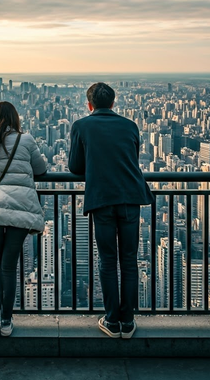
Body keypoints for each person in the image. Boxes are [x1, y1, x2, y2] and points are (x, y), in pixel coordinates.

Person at [68, 82, 155, 339]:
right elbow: (131, 159)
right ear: (113, 103)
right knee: (129, 260)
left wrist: (96, 168)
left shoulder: (81, 126)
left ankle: (112, 320)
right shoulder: (130, 126)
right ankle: (128, 322)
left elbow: (74, 167)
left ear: (89, 104)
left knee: (108, 261)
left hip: (102, 199)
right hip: (130, 199)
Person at [0, 101, 46, 337]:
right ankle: (6, 319)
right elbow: (41, 169)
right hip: (20, 209)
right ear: (15, 118)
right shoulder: (26, 140)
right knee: (9, 265)